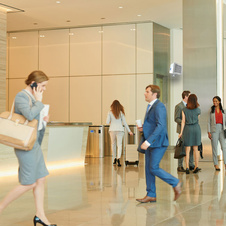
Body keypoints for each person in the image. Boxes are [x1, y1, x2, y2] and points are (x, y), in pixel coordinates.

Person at [0, 71, 56, 226]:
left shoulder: (33, 98)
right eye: (43, 86)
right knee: (29, 183)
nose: (44, 89)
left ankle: (40, 216)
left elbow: (35, 124)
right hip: (25, 147)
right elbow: (30, 116)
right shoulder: (21, 97)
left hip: (34, 145)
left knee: (41, 179)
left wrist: (44, 120)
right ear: (33, 83)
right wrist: (39, 102)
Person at [136, 85, 182, 203]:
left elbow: (161, 126)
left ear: (154, 94)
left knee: (153, 167)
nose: (145, 94)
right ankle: (151, 194)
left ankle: (175, 182)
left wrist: (148, 141)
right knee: (148, 169)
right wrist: (143, 129)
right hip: (150, 142)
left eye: (147, 92)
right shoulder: (150, 106)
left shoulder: (159, 106)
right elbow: (153, 125)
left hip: (158, 143)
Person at [179, 94, 201, 174]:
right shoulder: (198, 110)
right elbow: (197, 120)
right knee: (196, 149)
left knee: (187, 150)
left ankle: (187, 167)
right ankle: (196, 166)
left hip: (188, 129)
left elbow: (183, 122)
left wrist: (181, 132)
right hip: (196, 129)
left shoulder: (184, 110)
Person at [106, 100, 133, 167]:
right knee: (119, 145)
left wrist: (111, 122)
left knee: (113, 144)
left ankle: (114, 158)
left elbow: (107, 122)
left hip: (112, 130)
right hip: (120, 130)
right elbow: (125, 123)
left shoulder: (110, 112)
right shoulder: (121, 113)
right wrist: (129, 131)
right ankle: (118, 158)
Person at [174, 91, 195, 172]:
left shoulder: (191, 106)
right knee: (182, 148)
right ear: (185, 96)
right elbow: (176, 118)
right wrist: (184, 122)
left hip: (190, 129)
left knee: (191, 147)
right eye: (189, 96)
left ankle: (191, 164)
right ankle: (180, 166)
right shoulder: (179, 106)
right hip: (182, 130)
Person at [207, 96, 226, 171]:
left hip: (222, 129)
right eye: (214, 101)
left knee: (224, 147)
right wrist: (208, 132)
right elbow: (208, 122)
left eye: (216, 101)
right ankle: (216, 164)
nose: (215, 103)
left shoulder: (223, 110)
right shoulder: (211, 110)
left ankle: (225, 163)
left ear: (219, 102)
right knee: (214, 147)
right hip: (214, 130)